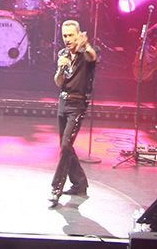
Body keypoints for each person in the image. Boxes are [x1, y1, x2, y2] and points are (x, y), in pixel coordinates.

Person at [50, 19, 97, 205]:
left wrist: (86, 45)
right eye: (64, 35)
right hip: (63, 101)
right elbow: (58, 82)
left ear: (78, 35)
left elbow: (92, 56)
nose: (67, 39)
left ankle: (56, 188)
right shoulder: (63, 53)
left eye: (70, 35)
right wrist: (60, 70)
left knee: (65, 146)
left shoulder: (86, 53)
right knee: (66, 146)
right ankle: (80, 183)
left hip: (77, 105)